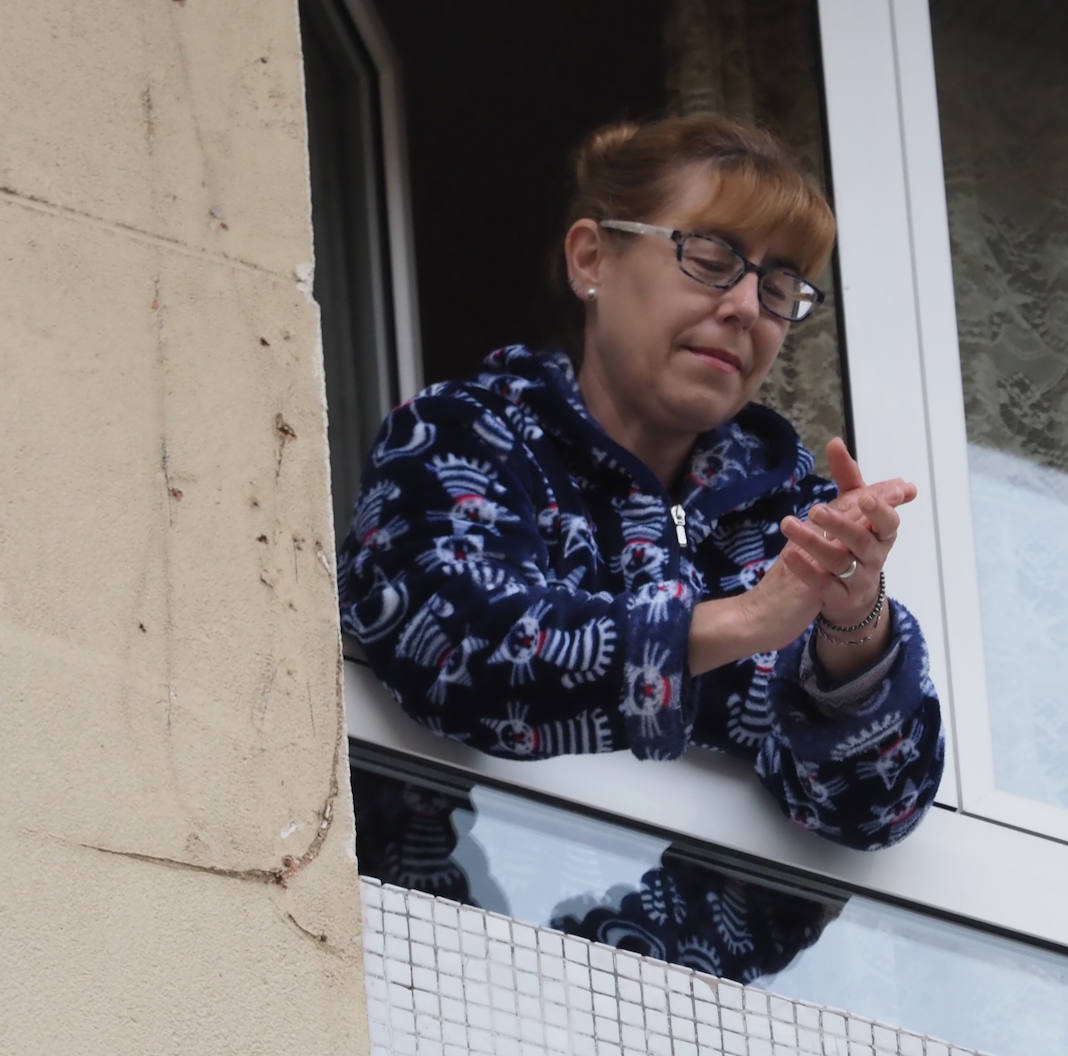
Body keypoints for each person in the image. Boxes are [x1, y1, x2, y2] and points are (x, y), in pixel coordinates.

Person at [338, 114, 944, 852]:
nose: (747, 308)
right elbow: (458, 649)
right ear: (592, 258)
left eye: (780, 284)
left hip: (665, 973)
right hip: (429, 938)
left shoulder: (791, 524)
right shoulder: (461, 436)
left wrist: (854, 625)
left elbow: (877, 812)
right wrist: (742, 624)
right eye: (712, 256)